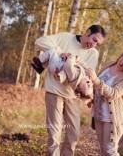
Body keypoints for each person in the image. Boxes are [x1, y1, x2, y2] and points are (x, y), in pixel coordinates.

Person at [34, 25, 106, 156]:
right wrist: (60, 52)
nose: (94, 45)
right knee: (55, 132)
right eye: (94, 40)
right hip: (54, 91)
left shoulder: (93, 53)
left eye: (97, 43)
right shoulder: (65, 37)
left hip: (73, 95)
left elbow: (86, 75)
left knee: (74, 133)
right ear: (88, 32)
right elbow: (39, 42)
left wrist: (71, 59)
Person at [86, 49, 123, 156]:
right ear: (122, 55)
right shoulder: (109, 65)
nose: (122, 62)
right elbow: (97, 87)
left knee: (110, 151)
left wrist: (96, 80)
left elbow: (113, 93)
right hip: (98, 115)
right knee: (103, 149)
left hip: (111, 119)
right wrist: (92, 98)